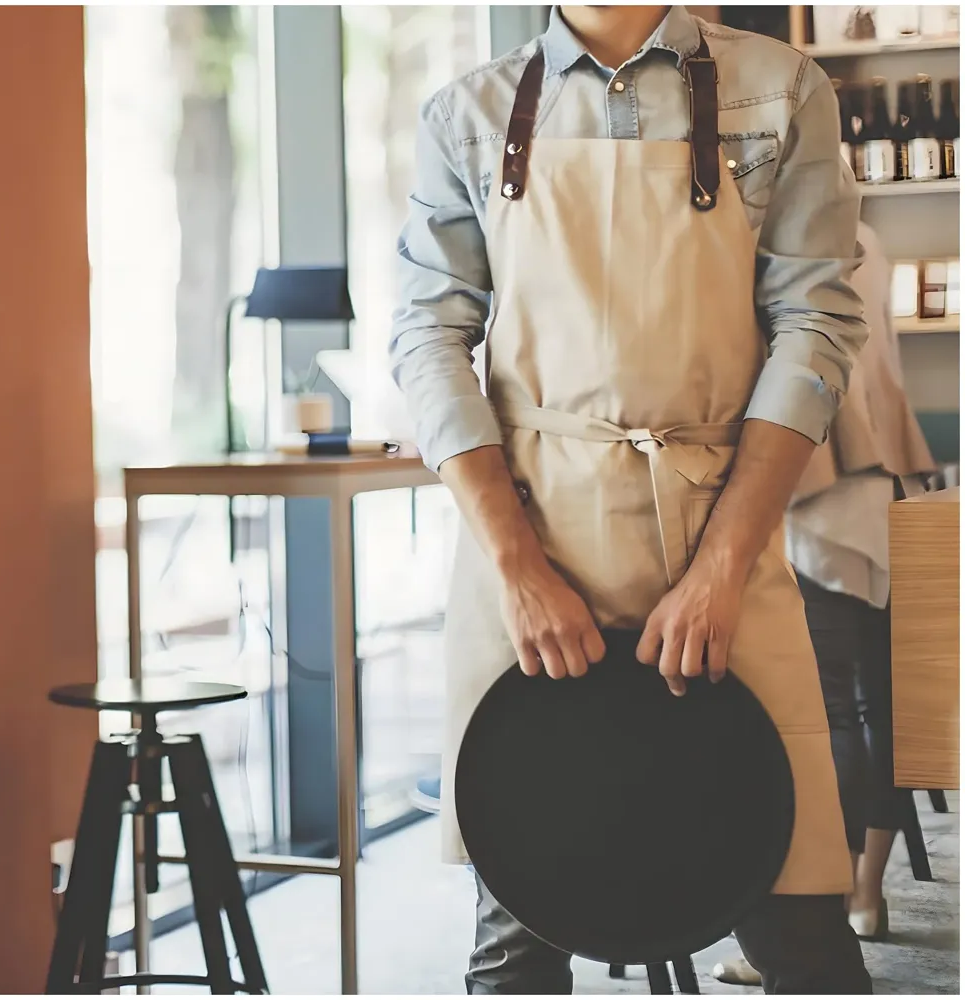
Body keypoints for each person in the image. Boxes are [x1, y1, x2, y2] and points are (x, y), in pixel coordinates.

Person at [391, 6, 872, 994]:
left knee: (799, 928)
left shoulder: (782, 92)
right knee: (522, 929)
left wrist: (722, 568)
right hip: (531, 552)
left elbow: (813, 328)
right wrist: (518, 570)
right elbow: (428, 340)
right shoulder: (467, 115)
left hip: (721, 543)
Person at [713, 224, 936, 986]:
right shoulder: (872, 239)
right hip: (885, 488)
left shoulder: (781, 234)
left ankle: (828, 912)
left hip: (818, 487)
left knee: (832, 712)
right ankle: (867, 895)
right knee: (880, 710)